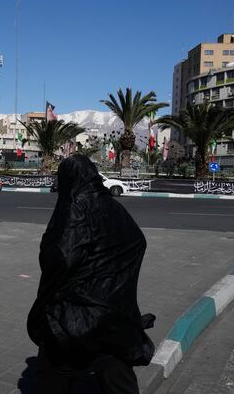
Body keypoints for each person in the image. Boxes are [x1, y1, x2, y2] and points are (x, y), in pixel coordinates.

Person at [26, 155, 155, 393]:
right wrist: (114, 274)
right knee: (115, 367)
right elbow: (137, 241)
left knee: (54, 368)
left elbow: (62, 256)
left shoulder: (76, 207)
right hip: (114, 310)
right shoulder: (114, 206)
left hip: (75, 312)